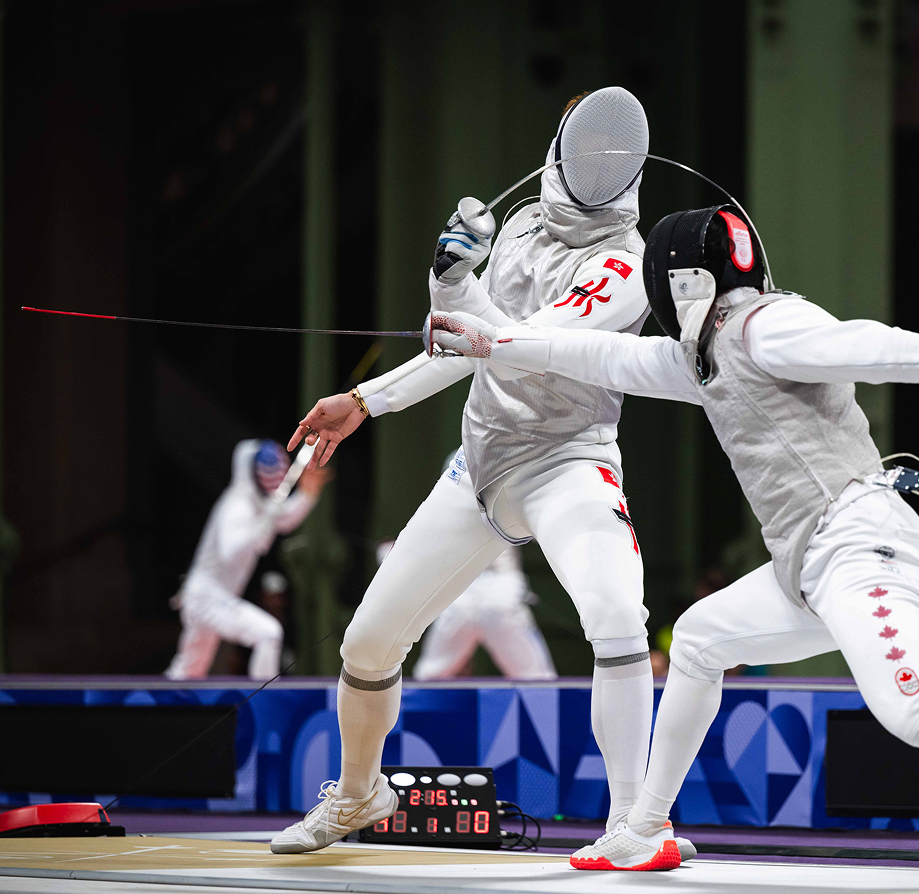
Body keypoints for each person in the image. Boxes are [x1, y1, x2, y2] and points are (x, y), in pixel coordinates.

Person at [429, 204, 919, 883]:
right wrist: (489, 339)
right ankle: (645, 827)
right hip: (807, 563)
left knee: (917, 714)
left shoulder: (764, 327)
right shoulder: (703, 357)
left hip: (860, 546)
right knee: (696, 640)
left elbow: (861, 345)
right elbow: (594, 356)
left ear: (681, 279)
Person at [272, 88, 661, 854]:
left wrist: (454, 286)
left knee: (617, 618)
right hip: (478, 467)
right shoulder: (516, 228)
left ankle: (632, 824)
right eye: (586, 144)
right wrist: (363, 400)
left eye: (613, 154)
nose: (596, 161)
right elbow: (458, 345)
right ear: (560, 144)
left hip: (569, 463)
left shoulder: (628, 264)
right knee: (366, 645)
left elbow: (521, 343)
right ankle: (357, 796)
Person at [165, 440, 327, 680]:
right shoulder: (237, 506)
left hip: (212, 597)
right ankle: (264, 704)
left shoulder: (257, 504)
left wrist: (307, 495)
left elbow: (284, 520)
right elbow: (231, 552)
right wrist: (263, 523)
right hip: (207, 597)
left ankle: (158, 709)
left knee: (189, 671)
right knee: (268, 634)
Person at [396, 529, 558, 680]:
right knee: (536, 678)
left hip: (459, 593)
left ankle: (411, 710)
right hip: (498, 594)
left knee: (430, 676)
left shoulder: (445, 502)